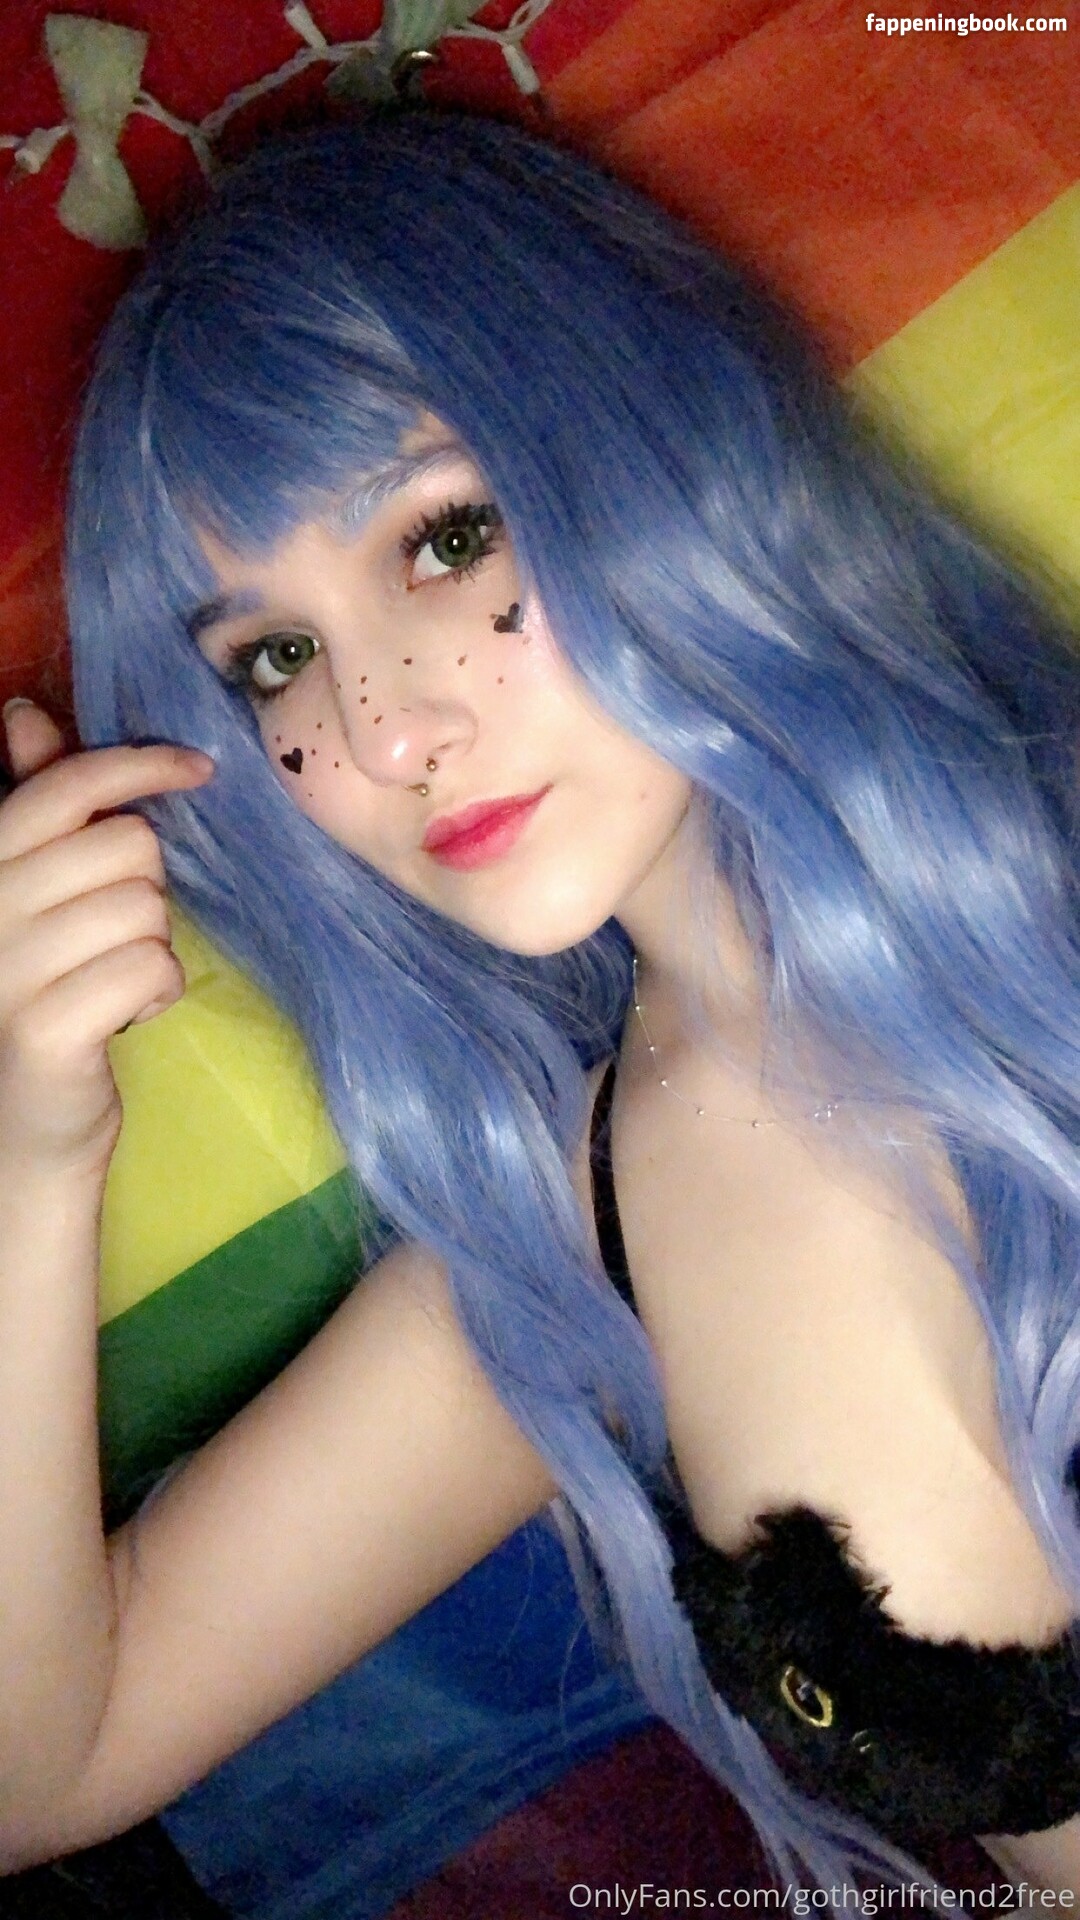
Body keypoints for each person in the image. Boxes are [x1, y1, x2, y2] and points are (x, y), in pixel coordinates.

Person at [2, 107, 1080, 1903]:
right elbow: (48, 1761)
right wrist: (32, 1164)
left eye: (443, 539)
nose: (386, 730)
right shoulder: (564, 1255)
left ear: (649, 436)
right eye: (275, 658)